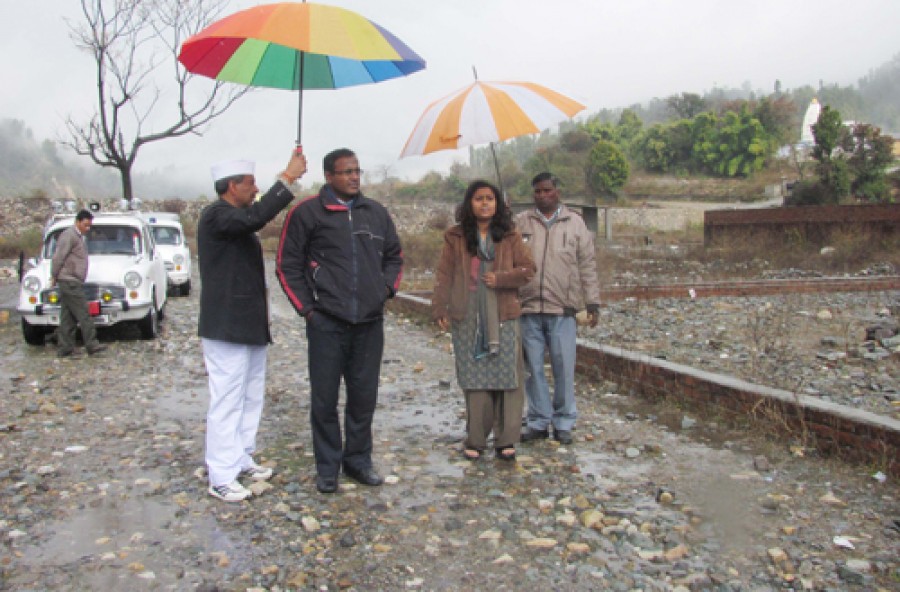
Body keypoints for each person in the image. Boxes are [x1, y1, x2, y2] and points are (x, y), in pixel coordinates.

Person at [277, 148, 403, 494]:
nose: (354, 177)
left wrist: (385, 289)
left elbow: (394, 256)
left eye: (357, 171)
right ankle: (328, 467)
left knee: (363, 397)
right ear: (329, 176)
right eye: (347, 172)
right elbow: (287, 265)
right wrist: (308, 309)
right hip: (327, 323)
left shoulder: (375, 213)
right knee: (324, 400)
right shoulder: (307, 213)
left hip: (369, 323)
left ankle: (358, 461)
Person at [198, 149, 308, 502]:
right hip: (226, 326)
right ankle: (221, 474)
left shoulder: (236, 219)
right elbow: (257, 217)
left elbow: (253, 217)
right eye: (250, 183)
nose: (255, 188)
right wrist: (287, 178)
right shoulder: (217, 216)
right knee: (227, 400)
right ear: (232, 186)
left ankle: (241, 457)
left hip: (249, 324)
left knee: (250, 395)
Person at [432, 180, 535, 461]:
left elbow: (528, 269)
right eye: (479, 199)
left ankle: (506, 439)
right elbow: (444, 273)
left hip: (503, 314)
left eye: (490, 198)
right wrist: (439, 307)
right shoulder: (455, 236)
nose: (485, 203)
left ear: (497, 203)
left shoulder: (510, 235)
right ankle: (476, 439)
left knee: (508, 377)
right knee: (475, 377)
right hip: (467, 314)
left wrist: (501, 278)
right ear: (469, 203)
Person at [516, 172, 601, 446]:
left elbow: (587, 265)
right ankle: (539, 420)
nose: (542, 195)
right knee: (533, 370)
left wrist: (592, 302)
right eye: (537, 191)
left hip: (563, 310)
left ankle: (564, 421)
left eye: (547, 190)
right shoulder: (521, 222)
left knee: (564, 368)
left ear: (557, 192)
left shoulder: (575, 223)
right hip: (529, 308)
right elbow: (506, 256)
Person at [51, 209, 107, 358]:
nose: (87, 229)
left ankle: (65, 348)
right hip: (69, 280)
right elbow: (58, 257)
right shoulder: (69, 235)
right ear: (77, 222)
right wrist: (53, 275)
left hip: (72, 280)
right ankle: (92, 344)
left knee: (68, 317)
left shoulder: (78, 236)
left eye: (89, 226)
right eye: (85, 225)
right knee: (84, 313)